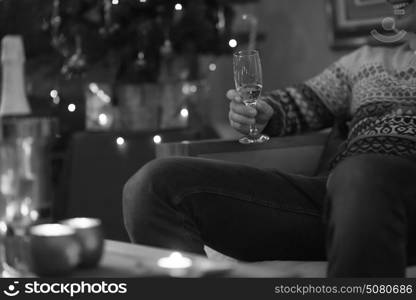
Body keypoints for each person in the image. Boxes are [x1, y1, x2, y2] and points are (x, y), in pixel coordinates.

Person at [123, 0, 416, 277]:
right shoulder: (367, 61)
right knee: (155, 184)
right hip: (334, 202)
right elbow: (298, 102)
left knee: (360, 174)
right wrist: (263, 113)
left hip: (397, 202)